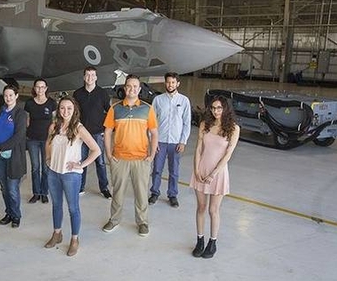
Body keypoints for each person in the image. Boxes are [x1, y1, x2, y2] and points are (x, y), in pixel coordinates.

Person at [102, 75, 158, 237]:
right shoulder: (115, 108)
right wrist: (108, 153)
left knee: (141, 192)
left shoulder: (147, 109)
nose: (132, 89)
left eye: (135, 87)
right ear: (124, 88)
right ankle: (114, 219)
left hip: (141, 159)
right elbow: (107, 132)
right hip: (119, 158)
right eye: (129, 86)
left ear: (139, 89)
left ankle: (142, 222)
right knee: (117, 192)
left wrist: (151, 155)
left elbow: (154, 133)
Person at [44, 96, 101, 256]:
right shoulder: (54, 126)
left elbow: (96, 150)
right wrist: (48, 159)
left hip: (71, 175)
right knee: (56, 205)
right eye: (62, 108)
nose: (65, 111)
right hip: (54, 172)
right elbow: (47, 143)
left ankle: (75, 239)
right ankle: (57, 233)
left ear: (74, 110)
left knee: (73, 208)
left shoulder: (79, 128)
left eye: (69, 108)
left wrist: (81, 165)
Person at [189, 95, 240, 258]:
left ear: (225, 109)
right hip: (202, 168)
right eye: (213, 108)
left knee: (213, 210)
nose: (215, 111)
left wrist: (213, 174)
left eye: (219, 108)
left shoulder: (233, 128)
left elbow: (228, 154)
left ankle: (213, 242)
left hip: (218, 173)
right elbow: (198, 149)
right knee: (201, 207)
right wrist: (196, 169)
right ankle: (200, 240)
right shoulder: (205, 124)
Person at [149, 72, 191, 207]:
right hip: (160, 141)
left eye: (173, 82)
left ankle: (172, 195)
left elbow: (186, 122)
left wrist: (183, 141)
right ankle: (154, 192)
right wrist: (152, 141)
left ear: (178, 83)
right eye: (168, 82)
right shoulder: (158, 100)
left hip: (176, 142)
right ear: (165, 83)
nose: (170, 85)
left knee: (174, 171)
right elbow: (151, 122)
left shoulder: (184, 101)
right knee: (157, 169)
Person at [0, 85, 27, 228]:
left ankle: (16, 215)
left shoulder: (21, 114)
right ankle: (9, 213)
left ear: (16, 96)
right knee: (4, 188)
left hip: (13, 158)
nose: (8, 98)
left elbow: (19, 136)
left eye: (11, 95)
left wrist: (0, 147)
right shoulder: (0, 112)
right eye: (6, 96)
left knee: (12, 188)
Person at [72, 66, 112, 198]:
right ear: (84, 77)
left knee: (100, 162)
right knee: (81, 161)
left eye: (92, 75)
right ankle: (80, 187)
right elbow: (74, 113)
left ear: (96, 77)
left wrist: (105, 129)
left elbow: (110, 111)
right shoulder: (77, 94)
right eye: (87, 75)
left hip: (97, 133)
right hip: (81, 134)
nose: (90, 77)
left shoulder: (102, 93)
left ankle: (104, 188)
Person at [25, 78, 57, 204]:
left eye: (42, 87)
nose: (40, 89)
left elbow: (54, 121)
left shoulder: (51, 103)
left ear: (46, 88)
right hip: (32, 139)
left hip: (47, 140)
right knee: (35, 167)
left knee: (45, 167)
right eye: (37, 87)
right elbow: (27, 121)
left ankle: (44, 192)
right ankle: (36, 193)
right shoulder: (29, 103)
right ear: (34, 89)